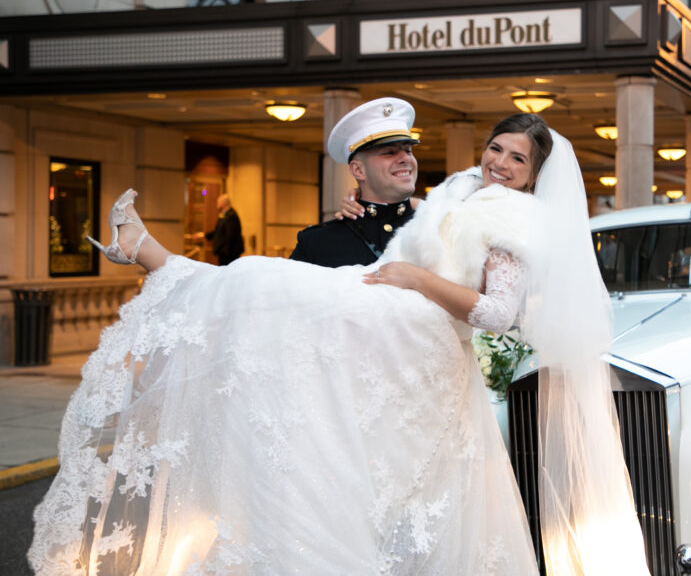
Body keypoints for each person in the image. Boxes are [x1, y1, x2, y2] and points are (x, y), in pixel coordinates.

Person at [32, 108, 650, 575]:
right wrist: (363, 226)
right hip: (388, 317)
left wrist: (414, 276)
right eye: (496, 148)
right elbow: (416, 232)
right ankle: (159, 262)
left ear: (535, 174)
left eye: (518, 159)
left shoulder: (520, 221)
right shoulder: (460, 190)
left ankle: (157, 259)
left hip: (417, 328)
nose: (500, 163)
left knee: (260, 280)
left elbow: (495, 313)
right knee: (266, 283)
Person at [290, 97, 418, 267]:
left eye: (408, 151)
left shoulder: (442, 229)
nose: (405, 158)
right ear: (358, 170)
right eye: (389, 152)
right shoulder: (319, 242)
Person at [201, 194, 244, 265]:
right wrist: (205, 235)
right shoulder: (224, 215)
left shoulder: (231, 216)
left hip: (229, 253)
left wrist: (224, 251)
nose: (217, 205)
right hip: (224, 252)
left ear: (223, 204)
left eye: (218, 203)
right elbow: (218, 231)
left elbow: (231, 236)